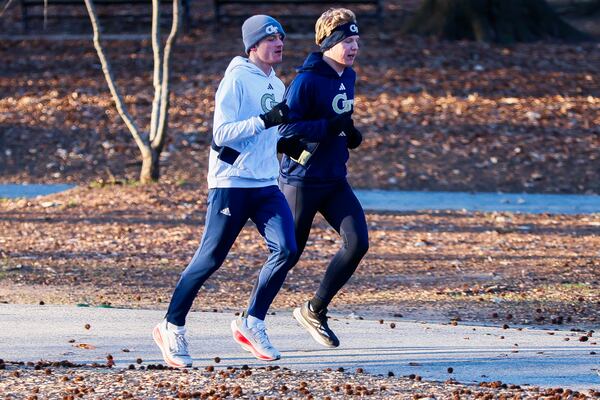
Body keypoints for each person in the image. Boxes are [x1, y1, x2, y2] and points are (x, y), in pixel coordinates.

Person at [153, 15, 297, 367]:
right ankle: (171, 326)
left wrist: (293, 146)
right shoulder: (235, 78)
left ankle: (252, 322)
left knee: (287, 248)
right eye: (270, 38)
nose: (278, 42)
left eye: (281, 37)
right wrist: (266, 120)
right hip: (231, 183)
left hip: (265, 183)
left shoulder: (276, 85)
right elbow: (222, 134)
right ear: (253, 46)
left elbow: (269, 134)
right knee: (211, 258)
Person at [277, 8, 369, 348]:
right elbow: (285, 130)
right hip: (301, 180)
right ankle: (251, 318)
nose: (353, 46)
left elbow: (340, 117)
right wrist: (328, 128)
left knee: (358, 242)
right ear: (328, 43)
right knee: (287, 254)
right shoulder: (306, 81)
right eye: (346, 40)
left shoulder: (348, 76)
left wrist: (349, 133)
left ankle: (314, 310)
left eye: (356, 39)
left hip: (333, 179)